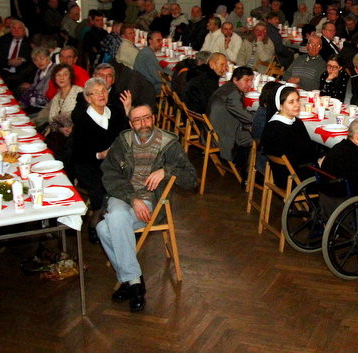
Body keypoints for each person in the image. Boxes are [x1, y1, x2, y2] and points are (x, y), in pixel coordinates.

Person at [99, 104, 198, 312]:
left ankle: (129, 280)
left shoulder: (168, 143)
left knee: (104, 228)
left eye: (146, 118)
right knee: (114, 219)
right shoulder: (123, 141)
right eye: (137, 120)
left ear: (154, 118)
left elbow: (191, 179)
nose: (143, 123)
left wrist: (166, 171)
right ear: (130, 123)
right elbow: (109, 173)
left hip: (152, 201)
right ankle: (135, 282)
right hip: (124, 195)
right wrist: (132, 198)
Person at [72, 77, 132, 244]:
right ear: (88, 98)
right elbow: (79, 153)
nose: (101, 95)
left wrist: (127, 111)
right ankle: (94, 223)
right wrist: (100, 155)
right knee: (100, 188)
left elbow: (125, 135)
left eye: (103, 91)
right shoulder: (82, 121)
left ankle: (124, 222)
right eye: (95, 92)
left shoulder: (115, 112)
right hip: (89, 164)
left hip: (113, 163)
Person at [260, 85, 319, 184]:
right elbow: (296, 158)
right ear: (280, 105)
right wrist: (318, 162)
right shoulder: (275, 129)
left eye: (297, 100)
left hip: (294, 172)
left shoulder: (296, 122)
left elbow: (307, 149)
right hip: (291, 178)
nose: (297, 105)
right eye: (291, 102)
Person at [208, 67, 254, 166]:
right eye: (246, 80)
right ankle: (246, 171)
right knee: (256, 138)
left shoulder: (227, 87)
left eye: (251, 81)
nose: (250, 84)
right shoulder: (233, 93)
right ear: (235, 80)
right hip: (221, 135)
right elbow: (247, 118)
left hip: (211, 131)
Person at [0, 19, 34, 91]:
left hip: (19, 75)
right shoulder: (4, 40)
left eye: (19, 28)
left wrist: (22, 60)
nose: (16, 30)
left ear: (24, 31)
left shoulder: (29, 43)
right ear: (10, 30)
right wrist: (8, 62)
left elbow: (31, 60)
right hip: (3, 70)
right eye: (14, 28)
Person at [18, 47, 55, 113]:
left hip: (46, 107)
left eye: (41, 58)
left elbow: (45, 96)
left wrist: (27, 98)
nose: (39, 62)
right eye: (35, 60)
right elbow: (33, 87)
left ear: (48, 58)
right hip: (35, 102)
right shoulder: (39, 71)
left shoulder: (54, 71)